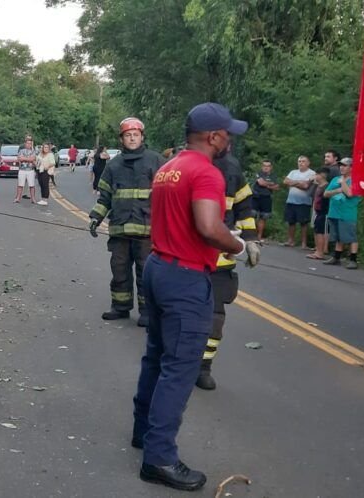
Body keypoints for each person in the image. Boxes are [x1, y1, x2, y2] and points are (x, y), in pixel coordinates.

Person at [133, 102, 247, 492]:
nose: (229, 139)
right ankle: (159, 457)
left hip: (158, 266)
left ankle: (143, 432)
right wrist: (239, 247)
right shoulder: (207, 173)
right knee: (180, 368)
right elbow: (208, 227)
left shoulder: (169, 168)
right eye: (226, 133)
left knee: (156, 357)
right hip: (184, 276)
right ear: (213, 137)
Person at [88, 118, 164, 327]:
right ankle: (120, 307)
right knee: (119, 269)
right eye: (128, 135)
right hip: (120, 230)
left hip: (147, 232)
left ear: (142, 137)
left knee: (145, 273)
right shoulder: (113, 166)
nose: (132, 138)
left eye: (135, 135)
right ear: (121, 139)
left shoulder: (156, 161)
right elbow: (105, 197)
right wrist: (96, 217)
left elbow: (167, 196)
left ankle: (147, 312)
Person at [195, 151, 258, 391]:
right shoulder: (186, 164)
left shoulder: (232, 167)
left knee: (215, 317)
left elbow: (244, 208)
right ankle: (178, 361)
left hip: (221, 261)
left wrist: (251, 240)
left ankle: (203, 367)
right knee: (179, 314)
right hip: (188, 260)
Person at [323, 157, 360, 268]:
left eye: (345, 165)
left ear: (351, 168)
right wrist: (338, 190)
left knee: (350, 236)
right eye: (341, 165)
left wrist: (343, 182)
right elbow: (326, 194)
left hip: (347, 212)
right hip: (334, 212)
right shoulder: (335, 179)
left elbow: (349, 194)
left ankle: (353, 259)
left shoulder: (356, 180)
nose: (342, 168)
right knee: (338, 236)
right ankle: (336, 257)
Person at [282, 155, 315, 248]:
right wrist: (300, 182)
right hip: (291, 201)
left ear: (308, 163)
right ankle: (290, 241)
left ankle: (304, 243)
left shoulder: (312, 173)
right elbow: (285, 181)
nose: (301, 163)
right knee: (291, 221)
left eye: (303, 161)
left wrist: (293, 182)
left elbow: (306, 186)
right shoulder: (293, 172)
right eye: (299, 161)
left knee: (303, 223)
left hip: (304, 202)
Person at [251, 160, 279, 240]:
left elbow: (277, 187)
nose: (266, 167)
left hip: (266, 197)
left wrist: (266, 184)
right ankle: (251, 234)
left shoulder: (274, 176)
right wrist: (270, 184)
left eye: (268, 166)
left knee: (264, 217)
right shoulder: (258, 173)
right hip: (256, 197)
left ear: (271, 167)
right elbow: (261, 183)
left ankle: (259, 236)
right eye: (264, 166)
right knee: (252, 215)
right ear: (262, 167)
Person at [307, 170, 331, 260]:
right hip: (317, 211)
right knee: (317, 231)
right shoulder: (318, 186)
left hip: (324, 212)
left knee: (321, 232)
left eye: (317, 174)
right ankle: (317, 250)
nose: (315, 176)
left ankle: (321, 252)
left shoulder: (326, 186)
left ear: (322, 175)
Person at [15, 136, 38, 203]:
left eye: (30, 143)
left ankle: (33, 199)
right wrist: (29, 159)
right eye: (27, 143)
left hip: (30, 170)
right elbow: (19, 158)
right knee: (20, 185)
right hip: (22, 170)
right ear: (25, 144)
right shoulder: (21, 150)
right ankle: (18, 198)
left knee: (31, 185)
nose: (29, 145)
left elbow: (33, 159)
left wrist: (24, 158)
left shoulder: (34, 151)